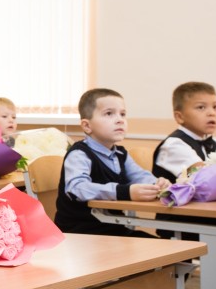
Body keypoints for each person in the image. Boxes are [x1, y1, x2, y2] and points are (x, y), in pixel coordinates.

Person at [55, 88, 170, 237]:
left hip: (112, 229)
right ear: (87, 126)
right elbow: (77, 188)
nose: (119, 119)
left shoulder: (120, 153)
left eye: (123, 114)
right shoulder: (79, 154)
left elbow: (139, 175)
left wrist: (157, 184)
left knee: (167, 247)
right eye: (109, 113)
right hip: (81, 233)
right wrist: (124, 192)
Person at [153, 81, 216, 182]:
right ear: (180, 117)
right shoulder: (173, 146)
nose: (212, 113)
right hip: (174, 198)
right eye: (201, 107)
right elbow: (201, 174)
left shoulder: (215, 143)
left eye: (215, 107)